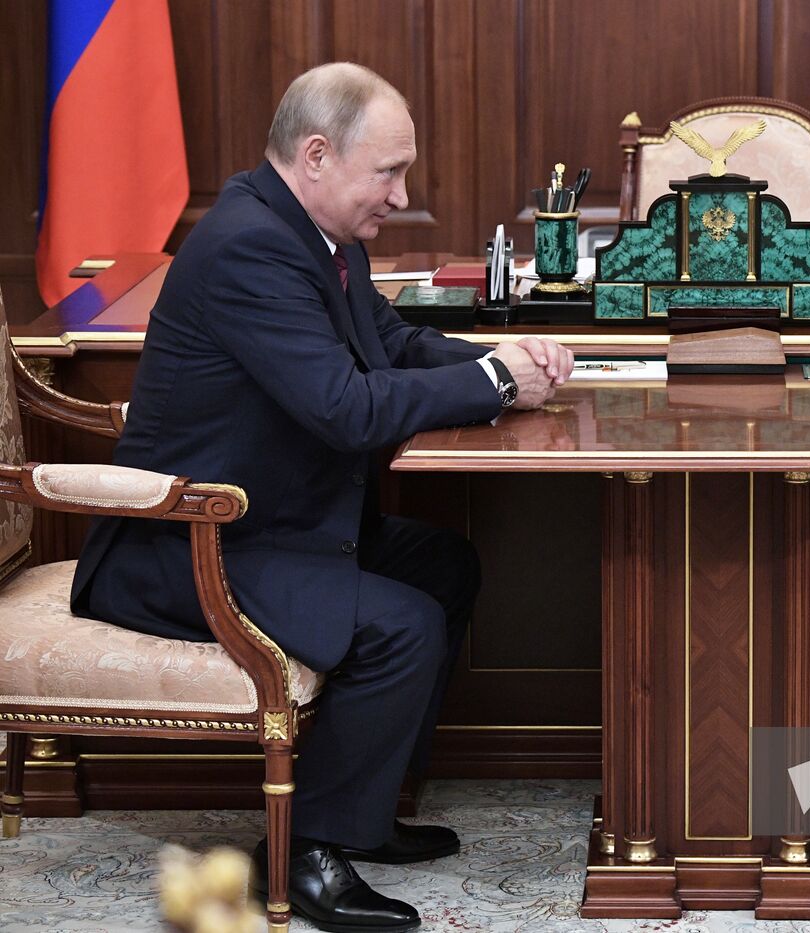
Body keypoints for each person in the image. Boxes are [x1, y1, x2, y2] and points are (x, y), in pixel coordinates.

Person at [70, 62, 573, 933]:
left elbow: (392, 341)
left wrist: (509, 364)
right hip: (188, 542)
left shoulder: (319, 235)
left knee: (445, 566)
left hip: (273, 525)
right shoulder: (248, 248)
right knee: (400, 623)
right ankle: (305, 851)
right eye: (389, 172)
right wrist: (492, 381)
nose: (401, 193)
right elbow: (344, 408)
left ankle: (362, 817)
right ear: (315, 156)